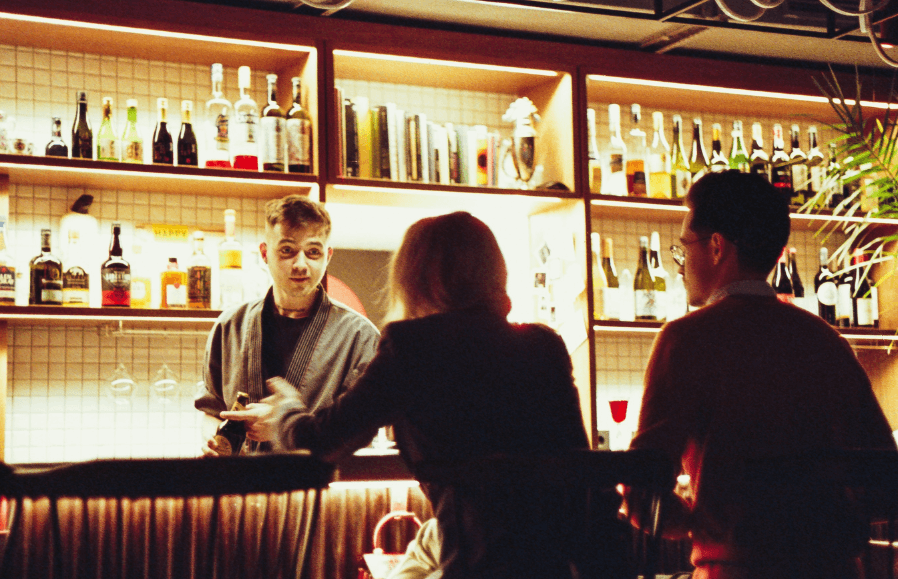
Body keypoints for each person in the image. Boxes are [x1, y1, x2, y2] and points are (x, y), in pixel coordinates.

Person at [222, 211, 627, 579]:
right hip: (565, 566)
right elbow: (582, 468)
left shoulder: (412, 345)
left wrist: (286, 414)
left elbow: (324, 441)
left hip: (474, 565)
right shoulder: (544, 344)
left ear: (418, 277)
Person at [626, 170, 896, 579]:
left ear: (716, 246)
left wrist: (704, 522)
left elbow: (642, 492)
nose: (681, 265)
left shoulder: (686, 340)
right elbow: (885, 482)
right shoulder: (827, 342)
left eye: (685, 247)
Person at [196, 194, 380, 454]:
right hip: (236, 484)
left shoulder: (360, 337)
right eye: (287, 251)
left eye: (313, 252)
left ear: (327, 257)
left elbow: (362, 431)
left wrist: (287, 427)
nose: (301, 264)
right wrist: (211, 442)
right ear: (264, 254)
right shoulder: (229, 326)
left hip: (313, 486)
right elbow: (212, 410)